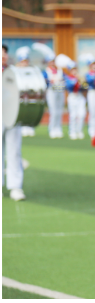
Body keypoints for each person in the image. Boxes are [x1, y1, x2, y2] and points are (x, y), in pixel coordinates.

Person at [2, 45, 26, 201]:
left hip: (12, 113)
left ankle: (15, 187)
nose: (3, 55)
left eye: (4, 52)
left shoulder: (14, 72)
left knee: (14, 150)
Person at [41, 50, 66, 139]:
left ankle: (58, 128)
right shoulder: (46, 71)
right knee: (53, 111)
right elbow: (44, 81)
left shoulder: (59, 70)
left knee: (59, 110)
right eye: (50, 61)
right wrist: (49, 81)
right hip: (51, 91)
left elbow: (65, 79)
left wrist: (61, 81)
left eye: (53, 61)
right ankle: (52, 129)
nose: (52, 63)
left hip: (60, 90)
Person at [65, 62, 87, 140]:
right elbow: (69, 86)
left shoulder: (80, 77)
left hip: (80, 96)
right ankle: (72, 131)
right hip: (72, 96)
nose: (74, 71)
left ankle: (79, 130)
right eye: (72, 69)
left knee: (82, 114)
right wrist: (76, 80)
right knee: (73, 115)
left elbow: (85, 87)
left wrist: (82, 81)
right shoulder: (68, 78)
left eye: (75, 69)